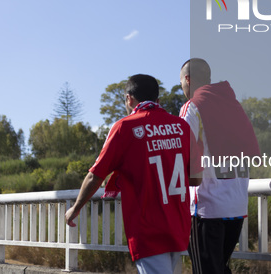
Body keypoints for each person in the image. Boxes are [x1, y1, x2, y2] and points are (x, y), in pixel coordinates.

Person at [65, 74, 200, 274]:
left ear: (129, 99)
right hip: (178, 225)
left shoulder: (125, 127)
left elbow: (96, 175)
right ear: (158, 100)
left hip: (147, 228)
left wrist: (75, 208)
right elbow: (197, 177)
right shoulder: (182, 127)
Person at [179, 59, 260, 274]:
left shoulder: (193, 105)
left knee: (205, 271)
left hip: (207, 208)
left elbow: (181, 150)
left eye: (181, 83)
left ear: (187, 79)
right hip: (236, 206)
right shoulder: (232, 104)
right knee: (218, 269)